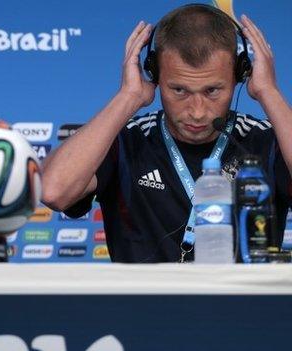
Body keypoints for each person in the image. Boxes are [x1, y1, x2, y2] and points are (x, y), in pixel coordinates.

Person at [42, 4, 292, 262]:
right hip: (143, 303)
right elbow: (53, 191)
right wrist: (128, 97)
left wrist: (269, 92)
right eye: (179, 91)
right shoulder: (127, 140)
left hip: (245, 303)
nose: (197, 111)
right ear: (154, 74)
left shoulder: (267, 141)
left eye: (212, 91)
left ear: (240, 75)